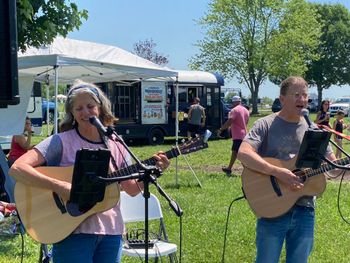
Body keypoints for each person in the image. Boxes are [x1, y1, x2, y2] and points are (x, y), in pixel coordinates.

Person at [9, 80, 170, 263]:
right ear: (72, 113)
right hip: (72, 231)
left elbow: (131, 189)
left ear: (100, 108)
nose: (85, 112)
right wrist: (60, 185)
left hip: (111, 232)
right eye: (79, 109)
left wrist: (154, 171)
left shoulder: (117, 144)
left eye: (90, 106)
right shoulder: (61, 141)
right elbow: (17, 168)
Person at [237, 76, 336, 263]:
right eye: (296, 95)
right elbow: (243, 153)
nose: (302, 99)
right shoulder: (266, 124)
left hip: (305, 210)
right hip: (273, 207)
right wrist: (278, 172)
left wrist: (343, 166)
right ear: (282, 98)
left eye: (305, 95)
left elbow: (334, 167)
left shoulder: (314, 130)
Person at [219, 95, 249, 176]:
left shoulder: (234, 110)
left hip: (238, 135)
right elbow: (246, 122)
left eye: (232, 102)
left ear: (234, 102)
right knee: (235, 152)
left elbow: (230, 121)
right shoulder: (246, 110)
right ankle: (229, 168)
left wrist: (222, 129)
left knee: (239, 153)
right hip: (244, 134)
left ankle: (249, 171)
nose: (232, 104)